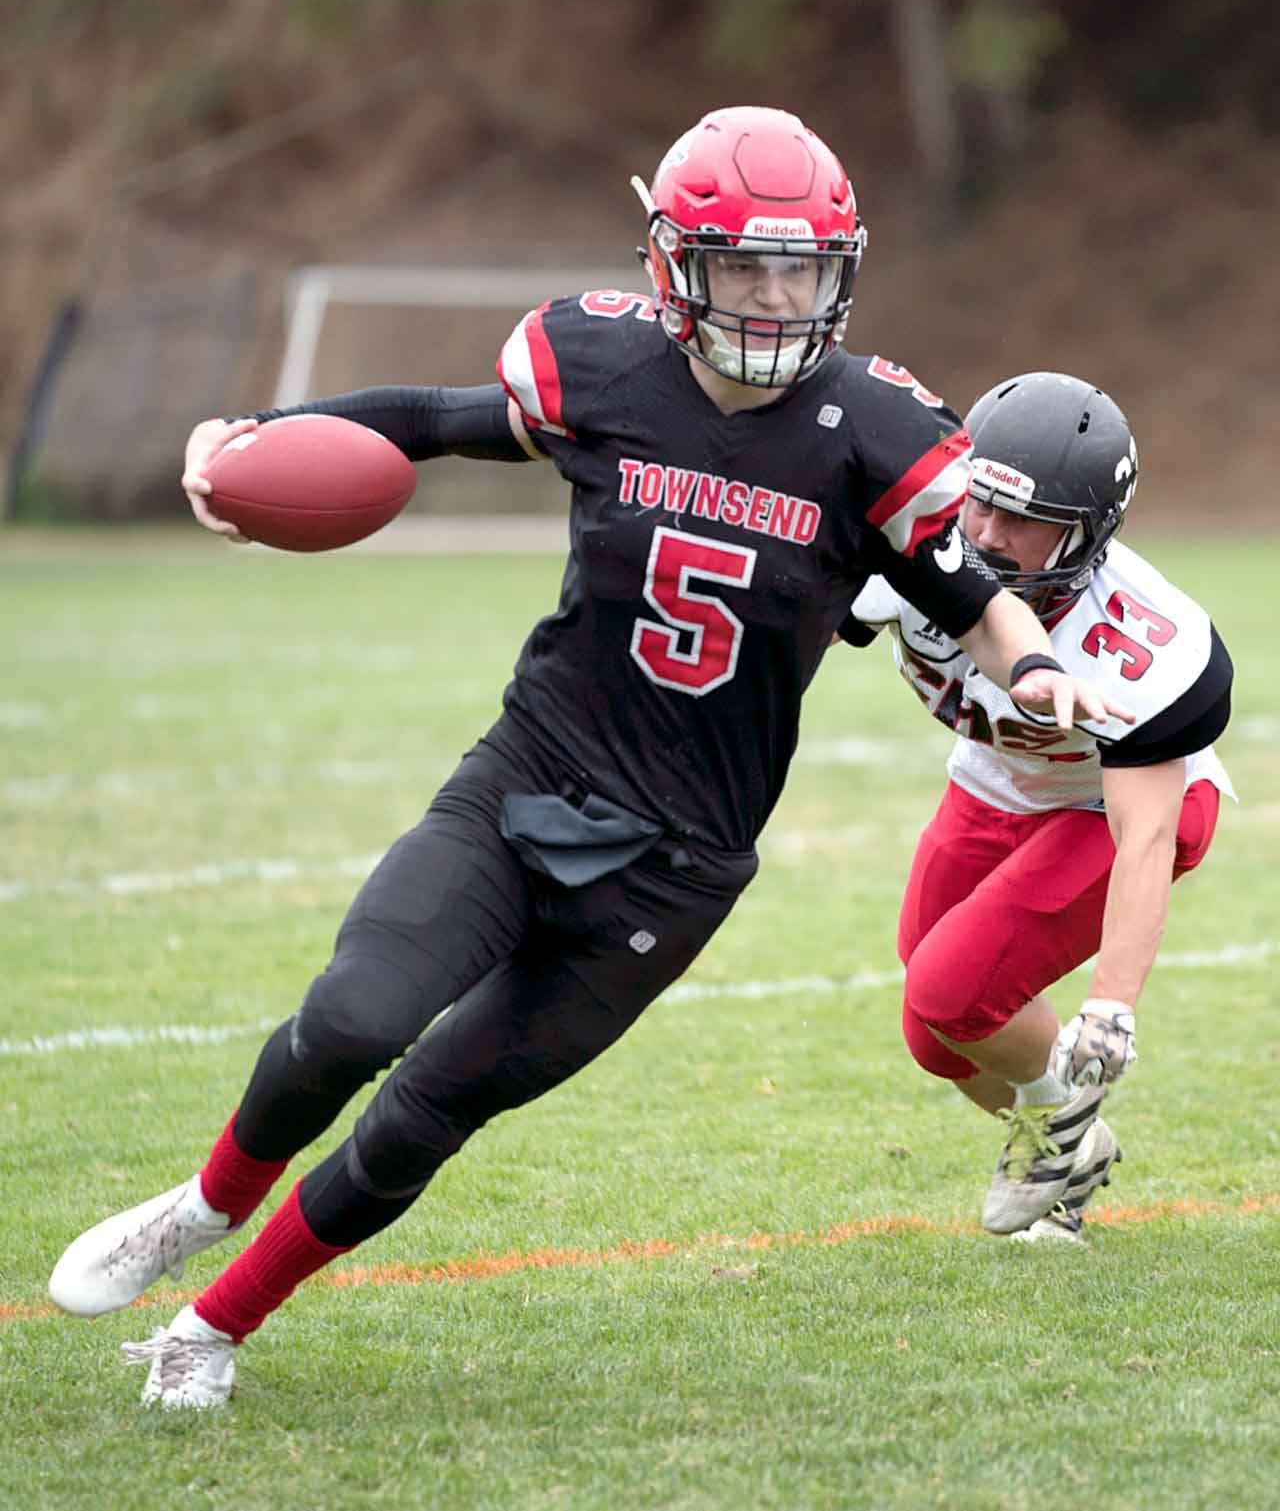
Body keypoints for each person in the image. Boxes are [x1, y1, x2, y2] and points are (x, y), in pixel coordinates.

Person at [48, 107, 1131, 1408]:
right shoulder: (600, 369)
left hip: (675, 866)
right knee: (351, 1021)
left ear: (839, 268)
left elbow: (966, 590)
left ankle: (209, 1330)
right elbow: (428, 417)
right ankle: (202, 1205)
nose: (778, 294)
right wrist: (255, 434)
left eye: (801, 266)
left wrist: (1039, 667)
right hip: (526, 779)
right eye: (745, 264)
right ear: (678, 265)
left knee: (424, 1113)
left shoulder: (875, 431)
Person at [841, 371, 1234, 1245]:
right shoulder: (917, 550)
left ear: (1087, 534)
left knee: (951, 986)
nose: (983, 533)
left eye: (1022, 518)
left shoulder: (1136, 643)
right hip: (994, 780)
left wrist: (1111, 1006)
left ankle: (1053, 1133)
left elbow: (1147, 833)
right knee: (934, 1031)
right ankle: (1073, 1138)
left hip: (1112, 806)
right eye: (979, 501)